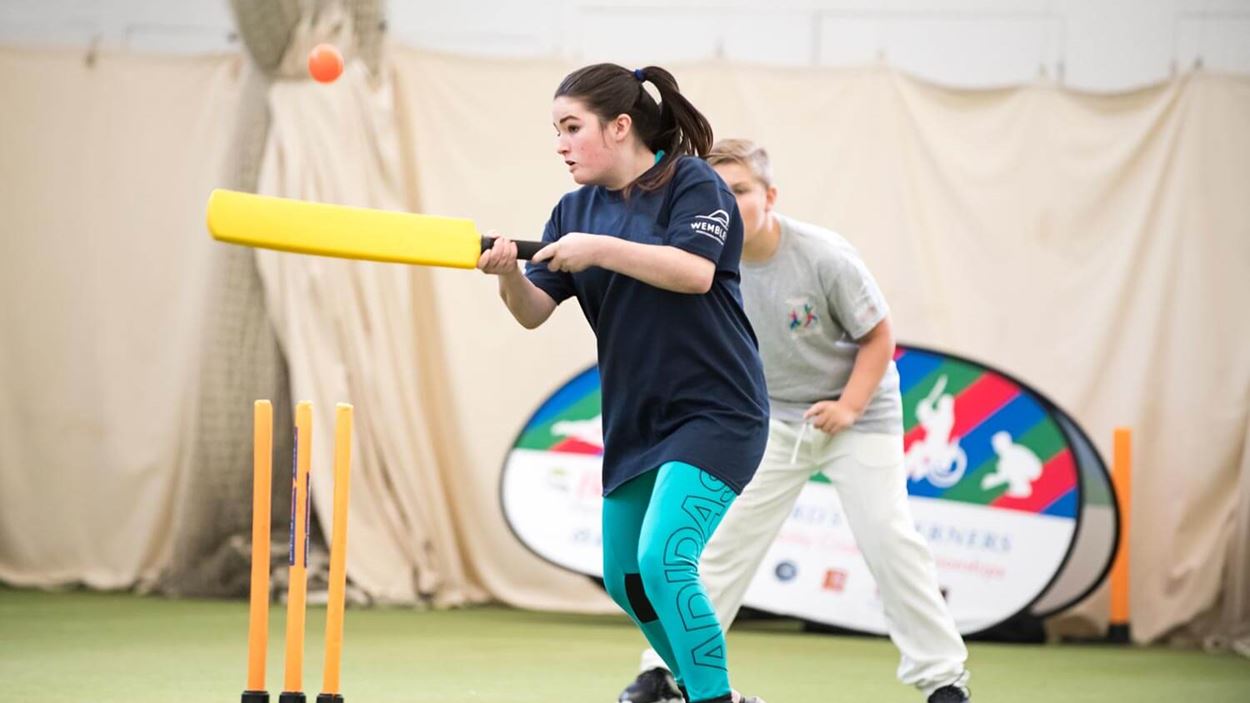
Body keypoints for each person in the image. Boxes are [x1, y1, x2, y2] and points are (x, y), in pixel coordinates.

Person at [618, 139, 972, 703]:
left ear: (770, 196)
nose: (727, 204)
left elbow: (879, 337)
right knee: (714, 547)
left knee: (890, 541)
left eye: (741, 191)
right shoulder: (695, 258)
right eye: (717, 192)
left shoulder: (823, 256)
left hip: (859, 416)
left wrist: (848, 408)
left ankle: (944, 681)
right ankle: (662, 673)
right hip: (771, 421)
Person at [477, 65, 770, 703]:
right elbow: (533, 312)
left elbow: (694, 273)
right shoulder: (573, 211)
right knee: (626, 577)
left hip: (718, 412)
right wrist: (507, 273)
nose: (560, 144)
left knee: (666, 560)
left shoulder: (693, 183)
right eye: (556, 131)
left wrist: (598, 249)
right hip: (636, 419)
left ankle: (713, 700)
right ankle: (705, 691)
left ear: (620, 126)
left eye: (572, 127)